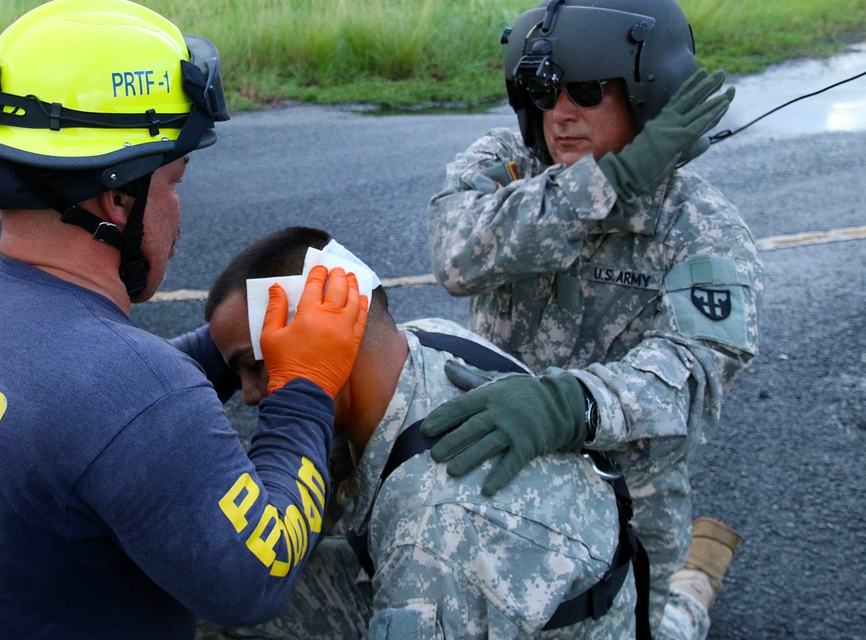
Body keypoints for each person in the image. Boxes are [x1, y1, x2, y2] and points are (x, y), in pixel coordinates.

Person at [0, 0, 369, 639]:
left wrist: (221, 349)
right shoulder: (131, 394)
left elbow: (96, 424)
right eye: (175, 182)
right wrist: (306, 386)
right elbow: (256, 579)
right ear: (119, 196)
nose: (180, 213)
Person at [424, 0, 763, 638]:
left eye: (586, 91)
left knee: (652, 626)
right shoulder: (509, 165)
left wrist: (569, 405)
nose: (560, 114)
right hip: (496, 481)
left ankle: (691, 584)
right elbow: (456, 254)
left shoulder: (703, 229)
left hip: (623, 514)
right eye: (546, 90)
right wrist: (606, 184)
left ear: (649, 97)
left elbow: (692, 381)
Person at [202, 226, 638, 639]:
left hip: (461, 575)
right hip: (510, 587)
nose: (250, 395)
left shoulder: (429, 529)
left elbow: (431, 537)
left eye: (256, 365)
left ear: (330, 342)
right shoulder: (422, 340)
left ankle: (690, 592)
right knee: (216, 589)